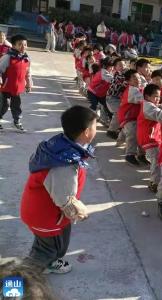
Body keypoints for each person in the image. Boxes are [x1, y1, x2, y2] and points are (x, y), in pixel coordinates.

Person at [20, 105, 96, 274]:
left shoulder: (61, 145)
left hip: (47, 212)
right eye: (95, 126)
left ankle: (50, 262)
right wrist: (79, 211)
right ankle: (14, 285)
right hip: (45, 215)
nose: (96, 129)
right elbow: (65, 199)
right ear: (86, 132)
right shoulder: (63, 164)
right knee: (46, 251)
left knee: (52, 243)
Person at [0, 34, 33, 131]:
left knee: (16, 106)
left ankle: (17, 122)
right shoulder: (8, 57)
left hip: (17, 88)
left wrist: (28, 84)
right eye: (20, 44)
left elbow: (28, 73)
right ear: (13, 46)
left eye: (25, 44)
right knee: (4, 105)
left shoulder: (26, 59)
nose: (23, 47)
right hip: (5, 87)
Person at [137, 84, 162, 192]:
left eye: (159, 96)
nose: (158, 99)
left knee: (156, 159)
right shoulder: (148, 106)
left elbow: (158, 108)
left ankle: (156, 180)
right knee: (156, 160)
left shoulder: (147, 104)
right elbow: (160, 115)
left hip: (149, 137)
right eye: (155, 96)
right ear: (147, 96)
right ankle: (155, 182)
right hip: (149, 138)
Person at [117, 69, 145, 166]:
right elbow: (142, 100)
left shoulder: (137, 89)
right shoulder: (132, 90)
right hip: (128, 117)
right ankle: (130, 155)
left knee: (135, 132)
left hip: (132, 117)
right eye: (134, 78)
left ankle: (141, 154)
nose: (138, 79)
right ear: (128, 81)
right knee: (133, 134)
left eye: (138, 77)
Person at [87, 57, 113, 124]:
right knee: (94, 104)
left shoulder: (108, 72)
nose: (112, 68)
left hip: (100, 94)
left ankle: (111, 120)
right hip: (92, 92)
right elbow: (112, 80)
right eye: (111, 67)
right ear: (106, 66)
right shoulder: (103, 72)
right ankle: (89, 118)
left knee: (107, 106)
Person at [106, 58, 127, 139]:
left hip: (117, 98)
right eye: (120, 65)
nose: (123, 66)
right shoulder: (119, 75)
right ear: (115, 67)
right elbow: (123, 82)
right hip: (112, 98)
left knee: (122, 112)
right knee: (119, 112)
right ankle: (111, 131)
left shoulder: (122, 74)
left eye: (124, 64)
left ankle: (117, 129)